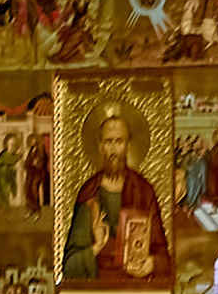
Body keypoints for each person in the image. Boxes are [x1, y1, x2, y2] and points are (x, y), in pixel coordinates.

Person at [62, 109, 169, 282]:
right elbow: (69, 265)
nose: (113, 149)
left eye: (119, 141)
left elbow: (163, 255)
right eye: (108, 141)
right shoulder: (89, 193)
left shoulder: (143, 190)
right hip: (96, 288)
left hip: (135, 286)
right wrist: (96, 247)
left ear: (128, 145)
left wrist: (152, 263)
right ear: (100, 146)